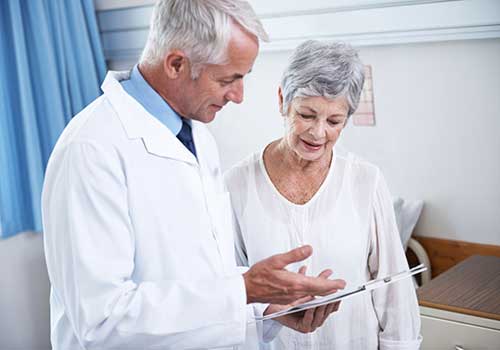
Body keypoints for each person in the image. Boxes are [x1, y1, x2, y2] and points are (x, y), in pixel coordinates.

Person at [41, 1, 346, 349]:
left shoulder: (197, 136)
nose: (239, 95)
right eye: (228, 79)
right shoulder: (91, 149)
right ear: (176, 64)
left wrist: (263, 309)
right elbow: (103, 322)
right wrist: (244, 290)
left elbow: (202, 274)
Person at [224, 40, 422, 349]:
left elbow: (393, 288)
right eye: (306, 115)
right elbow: (229, 287)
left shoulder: (365, 180)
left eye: (334, 121)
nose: (318, 133)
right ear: (282, 100)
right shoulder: (237, 183)